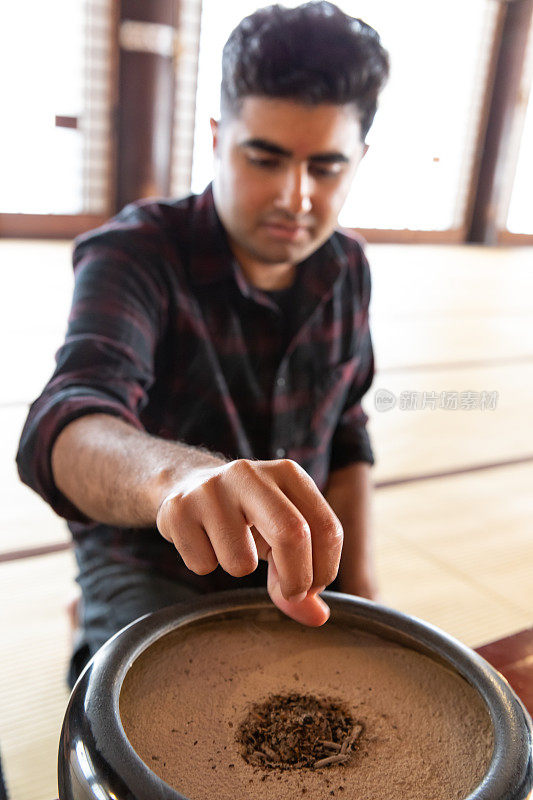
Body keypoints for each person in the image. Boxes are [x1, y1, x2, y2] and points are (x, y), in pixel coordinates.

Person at [17, 1, 389, 687]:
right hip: (151, 555)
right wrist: (177, 479)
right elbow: (65, 422)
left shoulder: (347, 268)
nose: (294, 197)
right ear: (217, 137)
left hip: (289, 562)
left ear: (358, 161)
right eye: (264, 157)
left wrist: (361, 596)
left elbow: (347, 427)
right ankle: (90, 623)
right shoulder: (135, 254)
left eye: (326, 168)